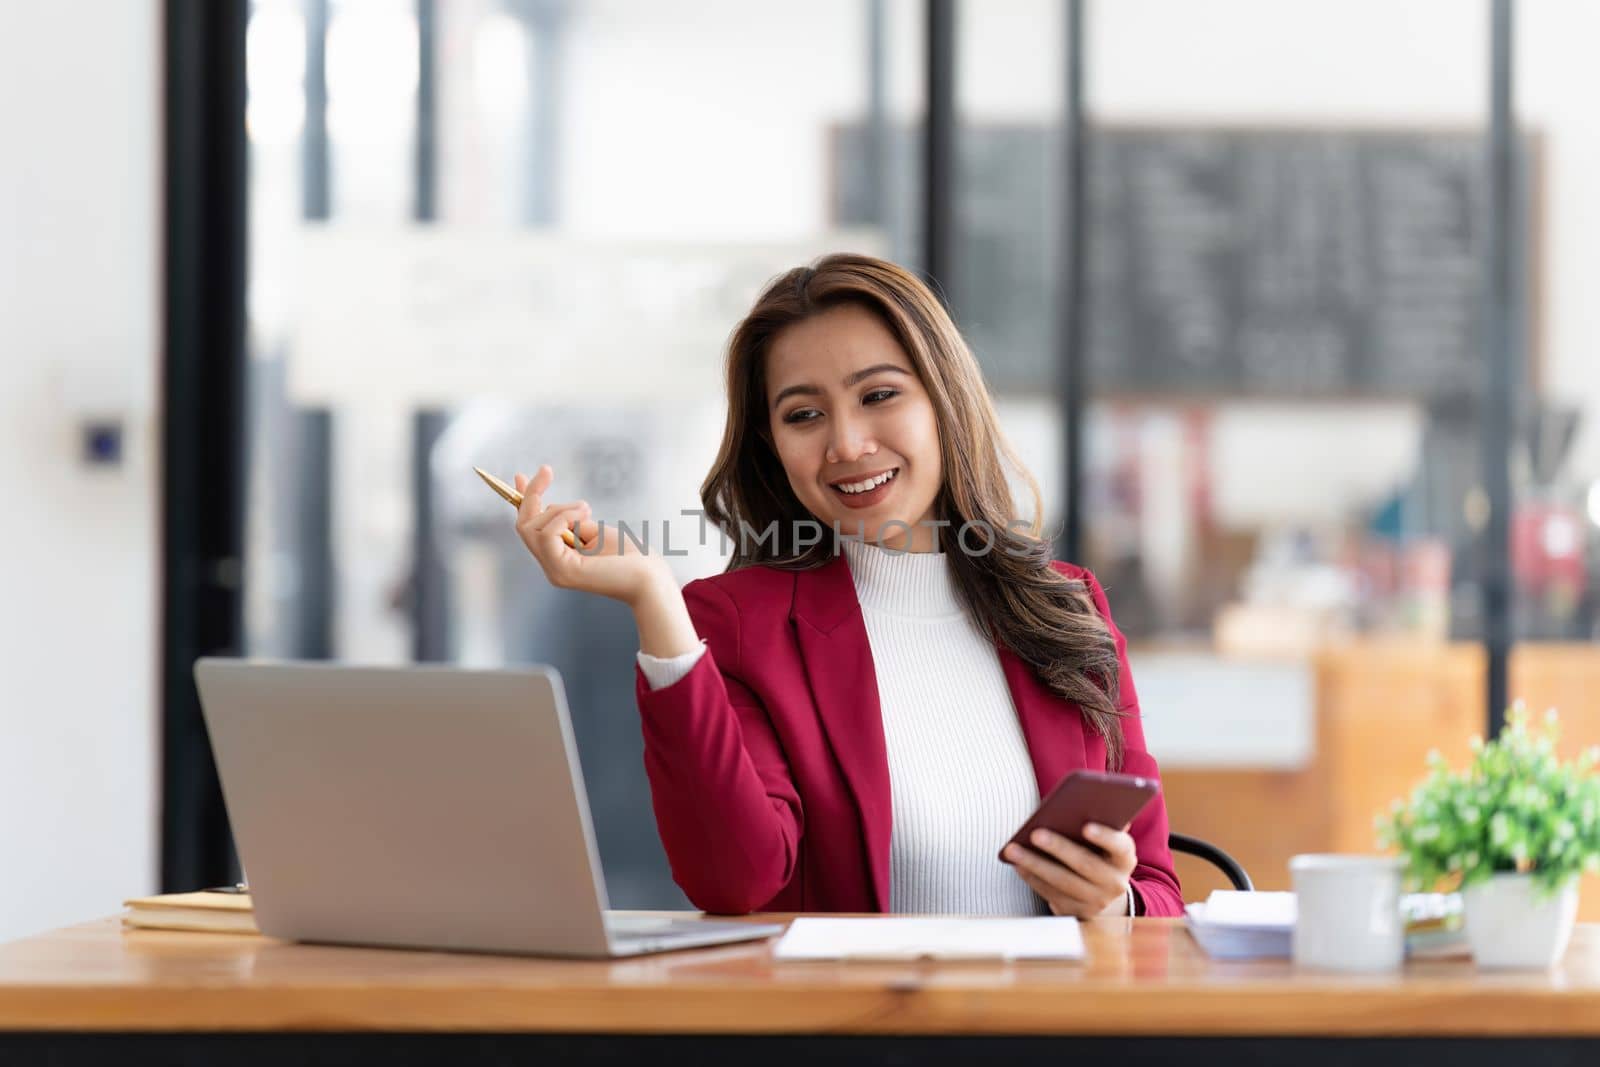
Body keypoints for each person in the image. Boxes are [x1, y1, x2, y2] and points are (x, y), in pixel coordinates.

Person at [514, 253, 1182, 918]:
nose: (847, 443)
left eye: (879, 395)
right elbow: (734, 879)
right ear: (771, 444)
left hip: (1044, 1018)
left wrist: (1116, 902)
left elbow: (1158, 890)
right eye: (804, 415)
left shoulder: (1065, 605)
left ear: (944, 399)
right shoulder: (740, 623)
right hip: (858, 1020)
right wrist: (653, 596)